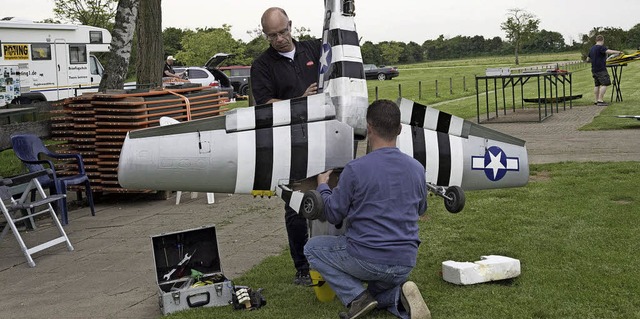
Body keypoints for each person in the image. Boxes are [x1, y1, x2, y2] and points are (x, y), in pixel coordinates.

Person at [304, 100, 431, 319]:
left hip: (368, 258)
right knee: (376, 290)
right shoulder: (417, 168)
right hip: (405, 261)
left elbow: (333, 213)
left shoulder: (355, 169)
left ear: (369, 128)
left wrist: (323, 186)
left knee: (312, 248)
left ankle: (356, 298)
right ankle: (397, 296)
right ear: (399, 129)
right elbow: (421, 208)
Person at [249, 7, 322, 286]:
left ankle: (335, 255)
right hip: (291, 144)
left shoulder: (314, 49)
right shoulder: (262, 65)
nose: (279, 39)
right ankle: (302, 266)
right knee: (295, 205)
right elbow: (264, 104)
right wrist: (299, 101)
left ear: (291, 25)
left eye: (283, 32)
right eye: (272, 36)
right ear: (265, 36)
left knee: (333, 197)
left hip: (325, 136)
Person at [588, 35, 623, 106]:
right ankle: (600, 100)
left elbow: (587, 59)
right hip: (601, 69)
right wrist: (619, 52)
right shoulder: (601, 47)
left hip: (594, 69)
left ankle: (596, 100)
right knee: (605, 83)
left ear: (596, 40)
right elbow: (609, 51)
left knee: (597, 85)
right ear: (602, 40)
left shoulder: (591, 48)